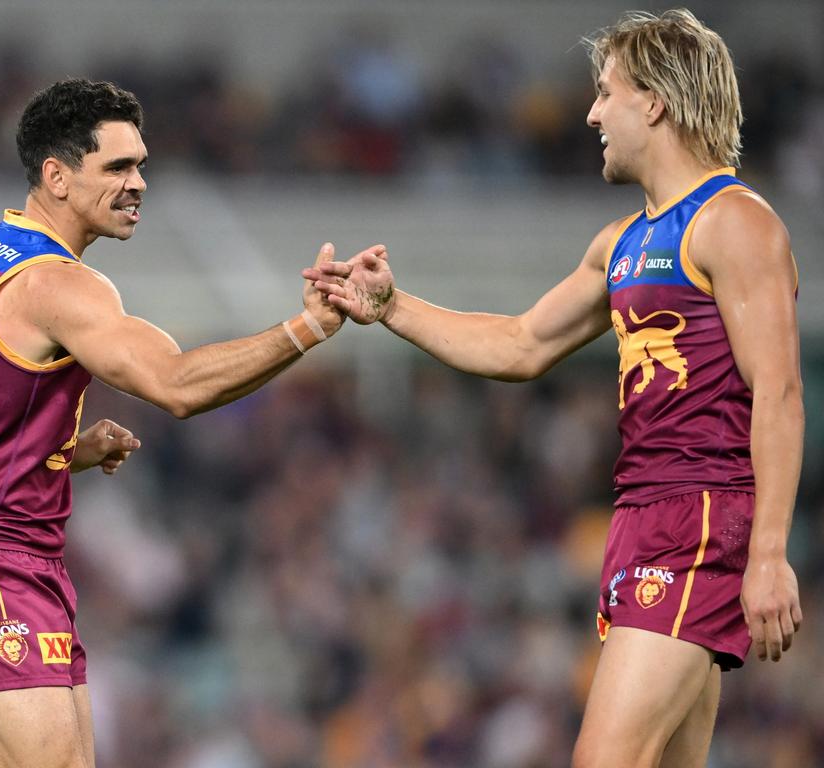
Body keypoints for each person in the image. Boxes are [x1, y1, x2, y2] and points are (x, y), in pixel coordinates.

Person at [305, 9, 802, 768]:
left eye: (606, 93)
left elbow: (780, 392)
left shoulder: (734, 223)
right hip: (642, 517)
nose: (592, 113)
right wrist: (394, 308)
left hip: (700, 516)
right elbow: (522, 343)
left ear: (655, 101)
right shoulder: (622, 242)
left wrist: (769, 553)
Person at [0, 77, 384, 768]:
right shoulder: (61, 284)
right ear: (56, 176)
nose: (139, 184)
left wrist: (57, 450)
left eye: (142, 165)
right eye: (118, 167)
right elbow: (177, 385)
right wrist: (309, 326)